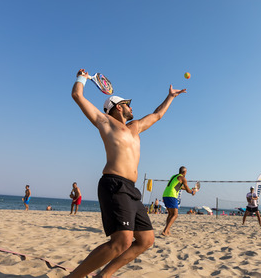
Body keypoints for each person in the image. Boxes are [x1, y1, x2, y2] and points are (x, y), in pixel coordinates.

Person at [68, 69, 186, 277]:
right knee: (121, 241)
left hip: (131, 189)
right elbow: (77, 95)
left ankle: (104, 275)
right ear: (118, 107)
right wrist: (82, 78)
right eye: (128, 104)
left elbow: (157, 115)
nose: (132, 107)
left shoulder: (135, 127)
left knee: (146, 240)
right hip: (114, 184)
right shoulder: (105, 122)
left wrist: (170, 97)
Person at [161, 166, 197, 236]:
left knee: (170, 214)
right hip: (172, 195)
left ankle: (167, 230)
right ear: (184, 172)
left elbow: (181, 187)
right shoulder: (183, 178)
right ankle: (165, 231)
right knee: (175, 214)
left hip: (165, 195)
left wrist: (190, 189)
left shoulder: (174, 176)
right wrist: (192, 192)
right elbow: (187, 189)